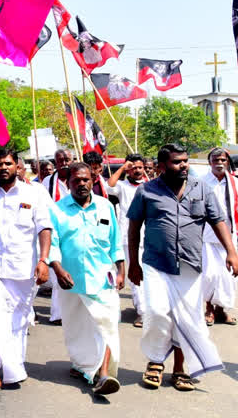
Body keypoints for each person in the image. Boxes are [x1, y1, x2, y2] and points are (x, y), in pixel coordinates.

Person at [127, 144, 238, 391]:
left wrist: (232, 252)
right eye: (177, 162)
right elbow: (134, 229)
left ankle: (179, 369)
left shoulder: (203, 189)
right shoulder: (147, 191)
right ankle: (155, 361)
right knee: (156, 312)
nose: (184, 165)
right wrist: (133, 263)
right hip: (156, 263)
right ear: (162, 166)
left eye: (185, 160)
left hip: (190, 264)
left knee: (187, 319)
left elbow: (218, 221)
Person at [0, 150, 52, 395]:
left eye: (8, 163)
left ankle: (13, 367)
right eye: (0, 164)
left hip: (24, 268)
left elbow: (44, 227)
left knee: (18, 320)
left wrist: (44, 260)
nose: (4, 167)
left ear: (17, 166)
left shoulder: (34, 193)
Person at [49, 163, 125, 395]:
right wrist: (58, 270)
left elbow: (116, 242)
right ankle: (83, 366)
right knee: (77, 330)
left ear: (93, 180)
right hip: (71, 282)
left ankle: (103, 375)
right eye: (76, 181)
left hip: (103, 279)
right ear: (68, 183)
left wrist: (121, 271)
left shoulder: (105, 207)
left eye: (85, 180)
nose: (81, 184)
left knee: (108, 325)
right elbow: (51, 244)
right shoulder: (57, 210)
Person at [106, 153, 147, 327]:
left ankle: (150, 310)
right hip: (128, 237)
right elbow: (108, 187)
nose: (137, 170)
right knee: (136, 275)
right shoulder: (122, 186)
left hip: (150, 236)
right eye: (134, 167)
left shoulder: (151, 185)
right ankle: (142, 312)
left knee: (150, 276)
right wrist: (123, 168)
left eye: (140, 167)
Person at [201, 148, 238, 325]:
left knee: (228, 276)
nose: (219, 163)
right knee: (209, 275)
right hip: (207, 236)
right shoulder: (200, 183)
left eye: (223, 160)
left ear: (228, 162)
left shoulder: (235, 184)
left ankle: (221, 310)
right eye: (216, 160)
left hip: (231, 237)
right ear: (210, 163)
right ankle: (208, 309)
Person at [42, 149, 73, 324]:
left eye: (67, 159)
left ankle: (75, 313)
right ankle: (58, 314)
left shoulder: (78, 176)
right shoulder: (48, 181)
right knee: (57, 275)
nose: (64, 163)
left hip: (75, 232)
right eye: (60, 160)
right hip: (55, 231)